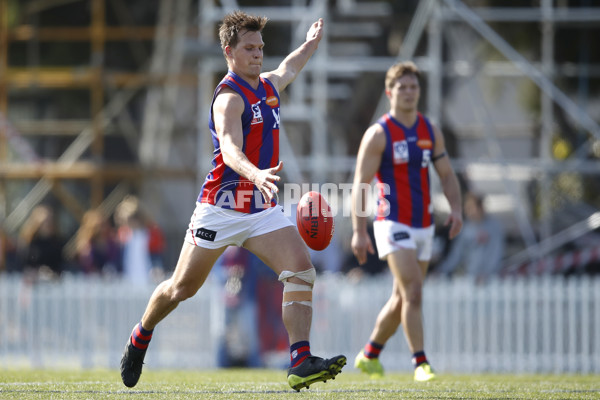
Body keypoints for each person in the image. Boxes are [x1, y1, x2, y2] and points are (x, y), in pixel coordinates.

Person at [120, 11, 345, 391]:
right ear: (229, 51)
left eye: (260, 47)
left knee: (301, 270)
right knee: (181, 289)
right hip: (220, 208)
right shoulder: (228, 97)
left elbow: (289, 68)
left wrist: (310, 44)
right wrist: (256, 174)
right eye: (249, 48)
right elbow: (229, 148)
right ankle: (140, 335)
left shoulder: (269, 86)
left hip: (259, 209)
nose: (258, 54)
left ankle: (300, 360)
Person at [350, 61, 463, 382]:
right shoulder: (379, 134)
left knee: (402, 297)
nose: (409, 92)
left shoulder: (430, 130)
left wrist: (456, 209)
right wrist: (359, 232)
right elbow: (360, 186)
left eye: (414, 87)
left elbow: (447, 174)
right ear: (390, 93)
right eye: (403, 87)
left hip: (423, 224)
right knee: (414, 292)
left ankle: (370, 354)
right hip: (391, 222)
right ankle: (421, 363)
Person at [436, 192, 505, 283]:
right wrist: (441, 271)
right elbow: (456, 254)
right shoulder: (466, 229)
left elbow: (497, 253)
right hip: (471, 278)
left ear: (480, 208)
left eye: (470, 208)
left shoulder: (494, 227)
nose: (468, 212)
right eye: (467, 209)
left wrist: (487, 273)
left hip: (491, 279)